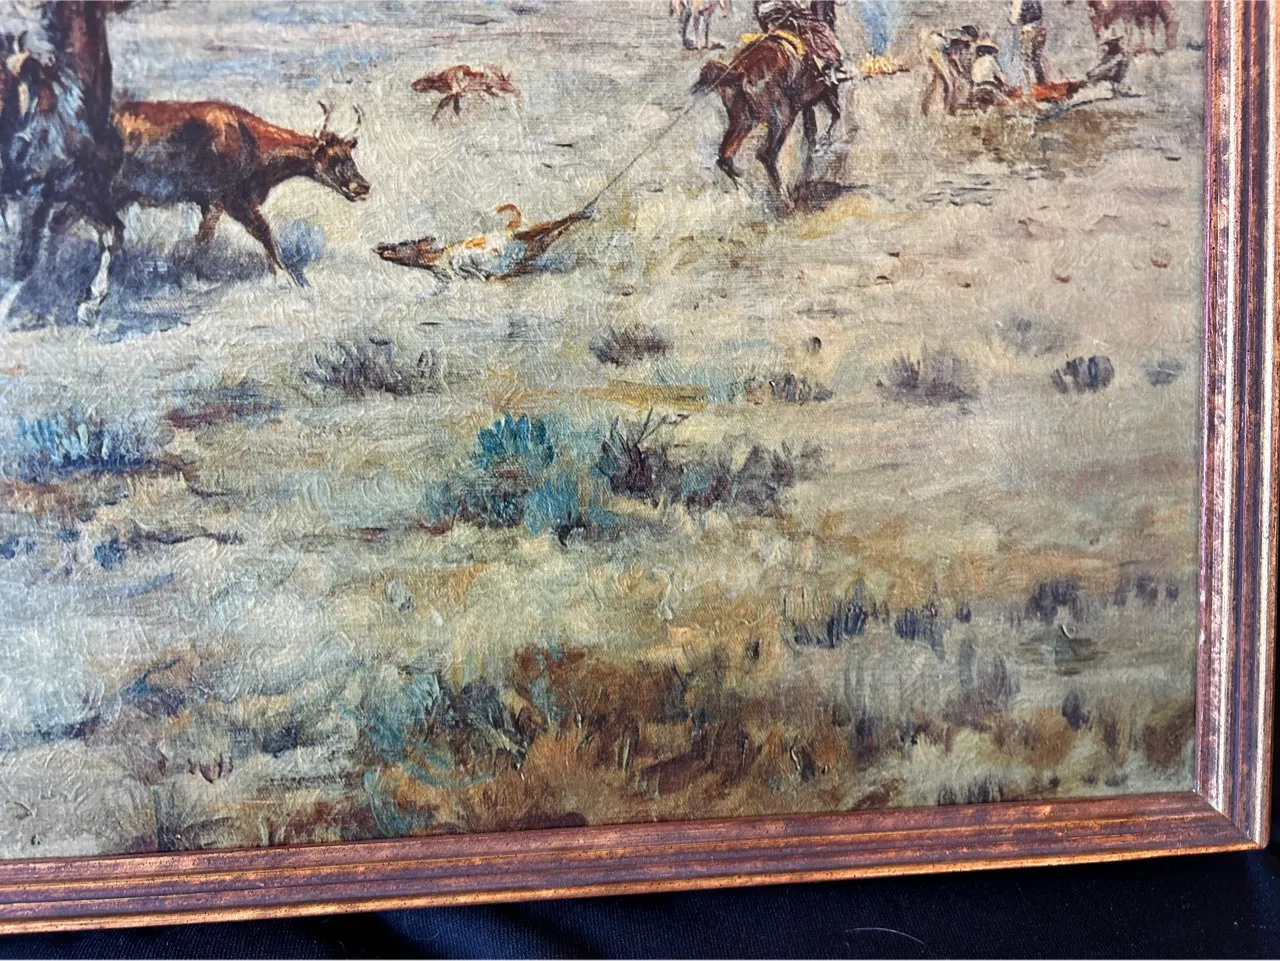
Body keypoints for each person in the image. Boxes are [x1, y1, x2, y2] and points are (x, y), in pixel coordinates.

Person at [754, 0, 852, 93]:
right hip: (780, 12)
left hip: (768, 14)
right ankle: (830, 66)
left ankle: (829, 65)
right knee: (817, 29)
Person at [1009, 0, 1046, 101]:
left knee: (1025, 62)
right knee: (1036, 60)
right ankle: (1042, 85)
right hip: (1040, 30)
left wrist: (1012, 14)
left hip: (1028, 31)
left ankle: (1027, 94)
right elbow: (1039, 13)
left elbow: (1013, 20)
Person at [970, 37, 1012, 108]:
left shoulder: (976, 62)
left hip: (976, 88)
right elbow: (999, 75)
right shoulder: (990, 59)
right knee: (1006, 103)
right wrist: (1006, 85)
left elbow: (973, 77)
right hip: (989, 87)